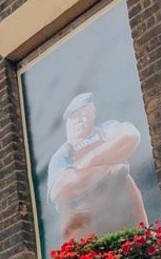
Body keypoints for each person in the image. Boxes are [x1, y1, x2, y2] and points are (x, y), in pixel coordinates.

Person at [46, 92, 148, 244]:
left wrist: (86, 163)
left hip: (126, 213)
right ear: (67, 121)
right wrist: (109, 167)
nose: (81, 119)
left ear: (93, 116)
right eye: (75, 115)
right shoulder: (61, 155)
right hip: (87, 225)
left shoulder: (107, 129)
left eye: (85, 114)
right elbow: (61, 190)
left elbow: (130, 136)